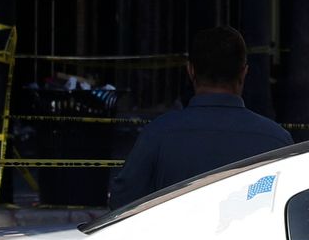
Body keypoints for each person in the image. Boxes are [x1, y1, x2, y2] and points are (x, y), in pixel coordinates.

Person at [109, 26, 291, 207]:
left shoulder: (157, 134)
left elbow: (121, 204)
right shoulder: (276, 140)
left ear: (191, 71)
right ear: (244, 73)